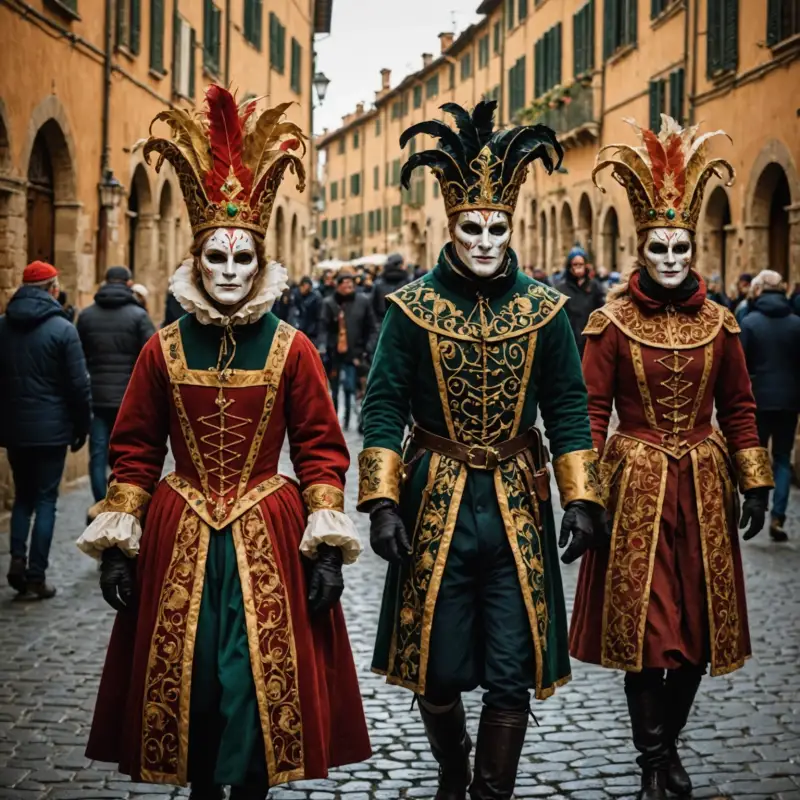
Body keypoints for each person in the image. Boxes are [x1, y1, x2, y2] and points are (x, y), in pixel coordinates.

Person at [75, 85, 370, 800]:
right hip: (181, 535)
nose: (231, 273)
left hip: (270, 528)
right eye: (217, 259)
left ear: (260, 262)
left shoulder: (294, 348)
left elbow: (322, 448)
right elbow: (138, 447)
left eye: (243, 260)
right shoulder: (163, 348)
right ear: (197, 261)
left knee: (256, 685)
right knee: (197, 684)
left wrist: (326, 543)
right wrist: (120, 539)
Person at [358, 101, 606, 800]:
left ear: (511, 226)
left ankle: (491, 793)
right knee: (435, 669)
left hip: (516, 504)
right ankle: (451, 764)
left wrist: (583, 496)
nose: (486, 239)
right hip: (433, 497)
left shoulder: (546, 309)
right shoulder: (410, 310)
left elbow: (566, 406)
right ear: (452, 225)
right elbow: (381, 406)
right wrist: (381, 503)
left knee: (510, 666)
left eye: (498, 227)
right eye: (473, 227)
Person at [570, 116, 773, 800]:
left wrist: (755, 482)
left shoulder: (722, 322)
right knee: (648, 635)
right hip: (635, 489)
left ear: (692, 250)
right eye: (659, 247)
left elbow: (741, 406)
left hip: (705, 489)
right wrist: (585, 495)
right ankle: (653, 761)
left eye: (681, 247)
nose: (670, 257)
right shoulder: (609, 321)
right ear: (642, 247)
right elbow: (591, 411)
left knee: (696, 636)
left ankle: (668, 747)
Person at [0, 261, 92, 598]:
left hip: (16, 429)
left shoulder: (3, 327)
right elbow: (78, 387)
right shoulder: (63, 330)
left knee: (23, 498)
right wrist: (82, 427)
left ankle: (17, 560)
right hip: (52, 430)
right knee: (46, 501)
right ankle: (36, 576)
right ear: (53, 289)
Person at [77, 265, 155, 518]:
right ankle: (118, 504)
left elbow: (79, 356)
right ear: (129, 284)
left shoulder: (87, 316)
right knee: (127, 454)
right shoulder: (138, 316)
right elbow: (152, 357)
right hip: (128, 397)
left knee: (98, 453)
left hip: (97, 396)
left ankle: (100, 502)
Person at [740, 269, 800, 542]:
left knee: (758, 451)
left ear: (760, 290)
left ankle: (759, 501)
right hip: (789, 401)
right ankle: (778, 515)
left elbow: (740, 366)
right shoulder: (796, 324)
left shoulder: (751, 322)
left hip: (759, 399)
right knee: (783, 458)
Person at [317, 271, 377, 431]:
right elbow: (323, 327)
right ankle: (333, 420)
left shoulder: (363, 301)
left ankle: (360, 421)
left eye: (351, 285)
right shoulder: (329, 303)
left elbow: (372, 327)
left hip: (357, 353)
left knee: (358, 389)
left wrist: (368, 347)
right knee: (334, 390)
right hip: (334, 354)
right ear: (338, 286)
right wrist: (323, 345)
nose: (349, 287)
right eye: (345, 285)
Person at [555, 246, 605, 356]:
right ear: (570, 266)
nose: (578, 268)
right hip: (569, 341)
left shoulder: (595, 287)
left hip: (590, 340)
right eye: (575, 264)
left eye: (581, 264)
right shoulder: (561, 289)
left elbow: (602, 311)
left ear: (586, 266)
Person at [371, 253, 410, 324]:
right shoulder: (409, 282)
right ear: (400, 265)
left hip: (382, 323)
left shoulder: (378, 283)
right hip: (404, 324)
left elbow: (373, 307)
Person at [295, 275, 322, 339]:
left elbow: (318, 315)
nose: (305, 289)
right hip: (300, 327)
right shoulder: (296, 295)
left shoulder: (315, 297)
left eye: (307, 287)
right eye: (303, 286)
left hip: (311, 329)